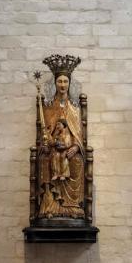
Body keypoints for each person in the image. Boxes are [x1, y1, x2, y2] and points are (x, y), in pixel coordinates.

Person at [38, 54, 85, 219]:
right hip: (53, 149)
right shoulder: (48, 108)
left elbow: (79, 135)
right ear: (55, 83)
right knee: (45, 160)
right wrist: (46, 144)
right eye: (60, 81)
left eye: (65, 81)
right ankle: (49, 206)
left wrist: (76, 147)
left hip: (69, 149)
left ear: (69, 83)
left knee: (77, 160)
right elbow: (45, 132)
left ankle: (72, 206)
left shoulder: (75, 109)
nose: (62, 85)